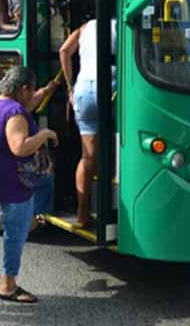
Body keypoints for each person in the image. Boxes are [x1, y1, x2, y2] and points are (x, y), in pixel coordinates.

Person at [0, 66, 59, 304]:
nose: (33, 93)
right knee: (15, 235)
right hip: (15, 184)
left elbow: (29, 104)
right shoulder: (15, 114)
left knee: (17, 227)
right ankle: (8, 285)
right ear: (23, 88)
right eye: (31, 89)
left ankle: (33, 221)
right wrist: (45, 134)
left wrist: (47, 90)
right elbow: (20, 147)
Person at [59, 18, 116, 228]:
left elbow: (64, 51)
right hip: (110, 86)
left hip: (83, 89)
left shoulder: (83, 27)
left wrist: (69, 86)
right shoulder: (124, 24)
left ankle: (82, 215)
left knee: (88, 156)